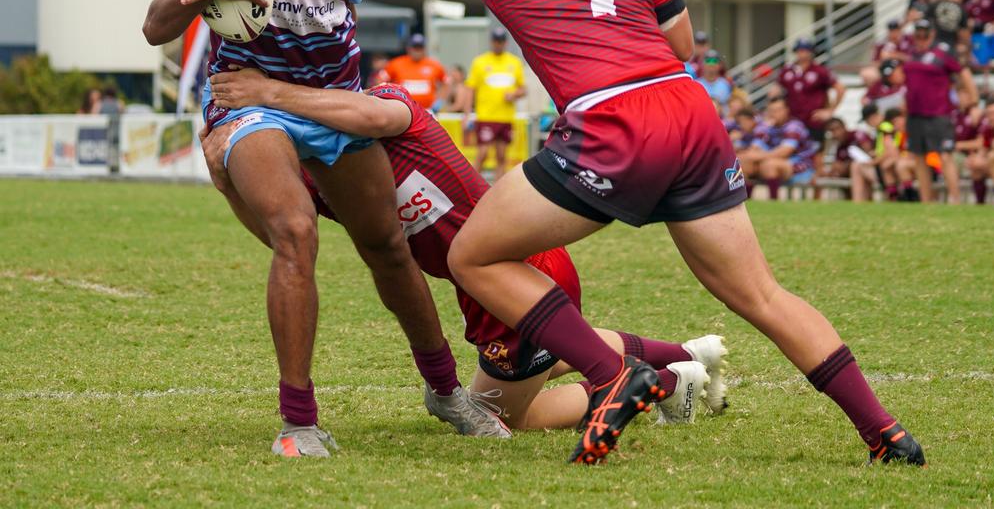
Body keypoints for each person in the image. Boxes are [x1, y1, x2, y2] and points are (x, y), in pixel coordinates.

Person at [164, 0, 926, 467]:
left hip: (613, 124)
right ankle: (885, 431)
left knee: (473, 254)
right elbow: (685, 46)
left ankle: (610, 374)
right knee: (760, 293)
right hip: (691, 113)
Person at [143, 0, 463, 458]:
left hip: (332, 104)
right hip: (247, 103)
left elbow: (337, 17)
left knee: (388, 248)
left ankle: (445, 390)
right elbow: (154, 27)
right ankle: (298, 422)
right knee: (295, 231)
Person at [203, 69, 727, 431]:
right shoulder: (324, 180)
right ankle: (685, 357)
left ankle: (658, 383)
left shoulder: (386, 106)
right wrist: (229, 182)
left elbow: (368, 118)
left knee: (506, 414)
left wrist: (269, 92)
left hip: (509, 272)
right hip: (496, 282)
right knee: (552, 355)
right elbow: (283, 240)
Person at [903, 19, 978, 203]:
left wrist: (973, 100)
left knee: (945, 155)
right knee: (919, 157)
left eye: (924, 33)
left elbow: (963, 73)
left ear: (932, 34)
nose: (921, 37)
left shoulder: (942, 54)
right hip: (915, 114)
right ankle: (926, 199)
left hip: (938, 113)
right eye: (918, 33)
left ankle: (955, 199)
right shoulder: (912, 56)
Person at [462, 27, 526, 179]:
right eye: (496, 41)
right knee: (482, 153)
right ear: (491, 42)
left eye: (501, 41)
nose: (499, 44)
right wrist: (466, 115)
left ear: (506, 42)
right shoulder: (480, 62)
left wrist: (514, 94)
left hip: (506, 116)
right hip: (486, 115)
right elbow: (470, 89)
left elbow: (522, 89)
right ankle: (472, 185)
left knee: (502, 155)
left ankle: (498, 190)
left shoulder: (514, 62)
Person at [740, 97, 819, 200]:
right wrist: (764, 127)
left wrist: (758, 156)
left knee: (769, 165)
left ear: (787, 110)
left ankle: (774, 201)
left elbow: (785, 152)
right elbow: (755, 148)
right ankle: (747, 202)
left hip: (801, 165)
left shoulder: (794, 126)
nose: (773, 114)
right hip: (775, 161)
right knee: (743, 160)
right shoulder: (768, 126)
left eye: (777, 110)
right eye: (771, 110)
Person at [776, 39, 846, 147]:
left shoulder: (820, 71)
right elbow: (776, 91)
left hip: (813, 121)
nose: (801, 53)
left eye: (805, 50)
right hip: (792, 120)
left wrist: (830, 111)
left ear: (811, 52)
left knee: (815, 152)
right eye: (799, 50)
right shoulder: (787, 70)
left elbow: (840, 88)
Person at [383, 34, 449, 112]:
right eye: (415, 47)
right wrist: (388, 98)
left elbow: (446, 83)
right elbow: (380, 81)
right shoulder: (396, 64)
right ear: (408, 48)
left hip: (428, 110)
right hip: (403, 110)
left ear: (424, 49)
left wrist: (440, 100)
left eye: (420, 47)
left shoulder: (434, 65)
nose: (417, 51)